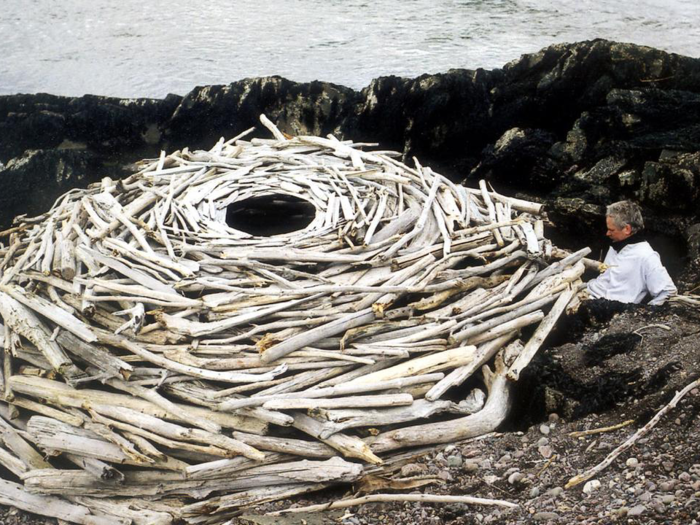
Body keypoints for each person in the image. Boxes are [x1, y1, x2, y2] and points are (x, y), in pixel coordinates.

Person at [586, 200, 676, 305]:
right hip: (586, 294)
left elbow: (668, 291)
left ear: (627, 229)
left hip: (608, 308)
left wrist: (644, 313)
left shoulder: (646, 256)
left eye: (611, 230)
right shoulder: (616, 245)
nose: (607, 233)